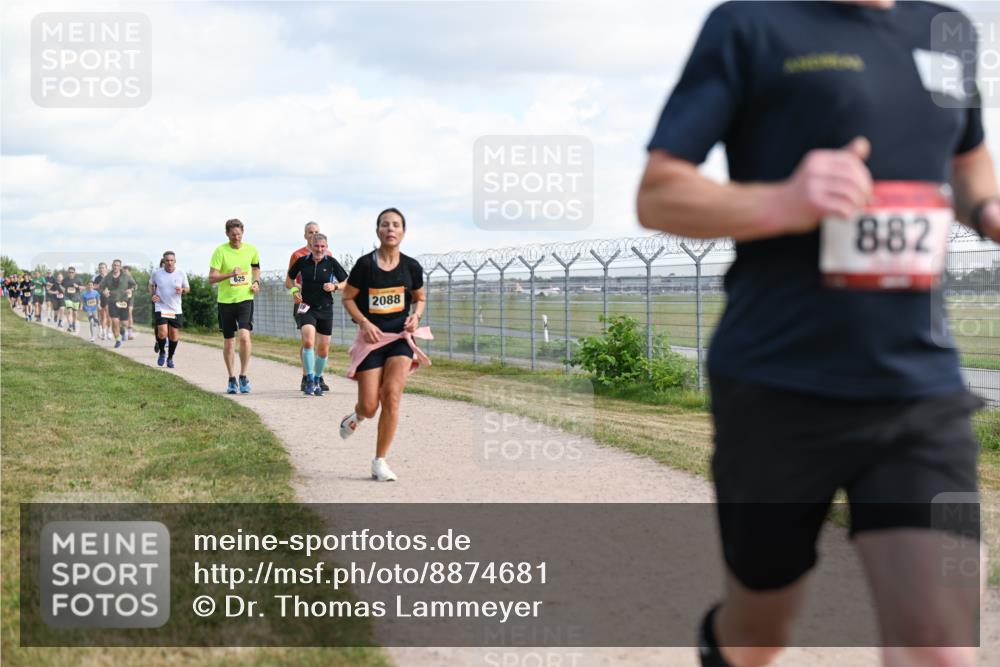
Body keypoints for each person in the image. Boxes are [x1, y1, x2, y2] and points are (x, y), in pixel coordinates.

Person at [636, 3, 996, 666]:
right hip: (778, 385)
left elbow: (969, 162)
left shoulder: (949, 30)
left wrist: (989, 208)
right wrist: (783, 200)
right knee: (758, 633)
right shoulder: (751, 25)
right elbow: (659, 194)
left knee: (943, 645)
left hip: (919, 390)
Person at [339, 208, 429, 482]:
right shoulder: (366, 265)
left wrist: (416, 316)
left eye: (396, 225)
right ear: (377, 231)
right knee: (369, 406)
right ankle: (356, 416)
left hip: (400, 339)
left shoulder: (411, 266)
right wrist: (364, 323)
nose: (391, 229)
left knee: (391, 395)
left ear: (403, 231)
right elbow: (348, 298)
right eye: (385, 225)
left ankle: (379, 462)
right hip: (372, 341)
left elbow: (419, 298)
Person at [286, 233, 348, 395]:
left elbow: (347, 282)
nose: (319, 249)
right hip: (306, 307)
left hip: (326, 308)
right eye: (316, 246)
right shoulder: (302, 261)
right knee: (308, 342)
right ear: (311, 246)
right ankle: (310, 379)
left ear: (326, 247)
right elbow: (289, 280)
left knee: (323, 350)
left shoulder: (331, 262)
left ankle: (319, 378)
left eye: (323, 246)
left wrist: (334, 287)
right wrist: (294, 291)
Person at [208, 218, 261, 394]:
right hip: (225, 301)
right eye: (232, 236)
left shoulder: (252, 250)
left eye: (238, 234)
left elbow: (255, 268)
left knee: (245, 337)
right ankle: (231, 378)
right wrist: (230, 274)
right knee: (229, 341)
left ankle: (243, 376)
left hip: (245, 298)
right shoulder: (220, 251)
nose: (236, 238)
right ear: (227, 234)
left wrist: (256, 282)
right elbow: (211, 279)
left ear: (243, 232)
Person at [149, 251, 190, 368]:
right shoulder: (157, 273)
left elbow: (187, 288)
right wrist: (153, 294)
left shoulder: (181, 273)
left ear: (175, 261)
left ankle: (170, 357)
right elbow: (151, 284)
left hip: (175, 309)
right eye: (167, 260)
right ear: (164, 261)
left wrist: (182, 290)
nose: (169, 263)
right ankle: (162, 352)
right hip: (161, 306)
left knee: (173, 335)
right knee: (162, 332)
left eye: (172, 260)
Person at [100, 259, 137, 348]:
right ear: (112, 266)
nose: (115, 267)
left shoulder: (126, 276)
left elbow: (134, 285)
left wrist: (130, 289)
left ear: (120, 267)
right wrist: (104, 292)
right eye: (114, 265)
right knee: (114, 321)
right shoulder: (108, 277)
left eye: (117, 265)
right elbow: (101, 287)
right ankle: (117, 340)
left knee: (124, 323)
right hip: (112, 300)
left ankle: (123, 330)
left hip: (123, 301)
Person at [61, 266, 82, 333]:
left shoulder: (78, 280)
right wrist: (63, 289)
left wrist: (77, 286)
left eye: (72, 272)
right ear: (68, 273)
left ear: (74, 273)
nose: (71, 273)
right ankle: (70, 325)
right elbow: (61, 285)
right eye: (69, 272)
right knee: (69, 311)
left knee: (75, 313)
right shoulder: (65, 280)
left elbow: (83, 287)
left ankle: (74, 324)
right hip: (67, 297)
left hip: (76, 298)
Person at [93, 261, 110, 338]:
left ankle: (108, 331)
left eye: (103, 268)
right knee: (101, 315)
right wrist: (100, 288)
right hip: (99, 298)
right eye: (100, 268)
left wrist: (108, 291)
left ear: (106, 269)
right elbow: (93, 287)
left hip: (109, 298)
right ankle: (101, 330)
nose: (101, 269)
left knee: (108, 315)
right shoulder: (97, 278)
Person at [123, 265, 136, 340]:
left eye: (126, 271)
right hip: (121, 299)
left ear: (129, 272)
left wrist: (130, 289)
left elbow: (135, 286)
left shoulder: (131, 279)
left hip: (130, 298)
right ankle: (124, 332)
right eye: (124, 271)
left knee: (129, 313)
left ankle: (130, 332)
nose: (125, 273)